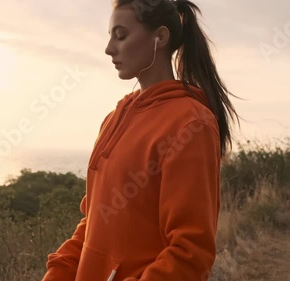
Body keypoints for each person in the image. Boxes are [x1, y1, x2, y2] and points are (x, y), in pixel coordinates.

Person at [42, 0, 240, 280]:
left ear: (159, 37)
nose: (109, 48)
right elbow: (94, 221)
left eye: (120, 35)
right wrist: (58, 273)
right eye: (110, 36)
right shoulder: (114, 118)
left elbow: (190, 252)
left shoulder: (191, 124)